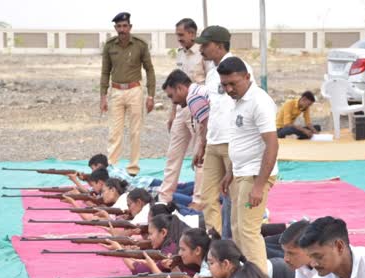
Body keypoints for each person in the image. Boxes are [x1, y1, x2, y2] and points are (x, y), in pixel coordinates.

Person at [218, 56, 279, 274]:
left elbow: (272, 145)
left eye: (233, 83)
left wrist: (259, 185)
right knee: (237, 230)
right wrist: (229, 173)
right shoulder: (237, 101)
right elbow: (241, 140)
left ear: (247, 77)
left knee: (248, 231)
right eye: (224, 84)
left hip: (255, 175)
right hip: (240, 174)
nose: (229, 89)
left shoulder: (259, 102)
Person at [197, 26, 255, 239]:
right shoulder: (212, 74)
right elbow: (212, 109)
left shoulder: (241, 69)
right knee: (207, 196)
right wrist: (202, 142)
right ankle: (214, 244)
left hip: (233, 142)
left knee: (233, 199)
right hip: (214, 142)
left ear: (219, 46)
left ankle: (233, 248)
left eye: (205, 44)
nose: (201, 49)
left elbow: (249, 105)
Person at [160, 18, 213, 207]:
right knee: (173, 154)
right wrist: (172, 112)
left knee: (200, 154)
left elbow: (211, 84)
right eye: (177, 35)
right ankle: (164, 197)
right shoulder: (181, 54)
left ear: (192, 33)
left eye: (181, 35)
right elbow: (176, 85)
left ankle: (198, 201)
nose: (179, 39)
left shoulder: (204, 53)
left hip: (199, 107)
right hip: (182, 107)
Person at [100, 12, 156, 176]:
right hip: (116, 91)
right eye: (119, 26)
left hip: (135, 91)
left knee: (135, 131)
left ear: (130, 27)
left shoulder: (140, 45)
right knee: (114, 131)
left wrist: (150, 95)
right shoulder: (110, 46)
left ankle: (133, 169)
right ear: (115, 27)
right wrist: (103, 96)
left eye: (125, 26)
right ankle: (112, 167)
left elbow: (149, 69)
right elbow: (105, 72)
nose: (122, 29)